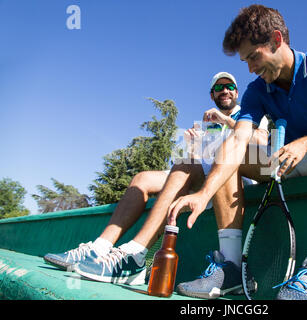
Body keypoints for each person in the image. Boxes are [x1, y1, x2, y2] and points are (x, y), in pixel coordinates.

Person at [168, 4, 307, 300]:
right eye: (245, 61)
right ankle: (232, 269)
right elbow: (238, 142)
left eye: (254, 57)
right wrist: (203, 194)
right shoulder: (256, 90)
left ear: (276, 40)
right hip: (287, 162)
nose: (250, 68)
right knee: (227, 150)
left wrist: (305, 143)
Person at [43, 72, 269, 287]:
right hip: (202, 171)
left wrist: (227, 120)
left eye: (229, 86)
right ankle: (100, 247)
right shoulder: (208, 123)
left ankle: (136, 255)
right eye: (219, 87)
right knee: (143, 178)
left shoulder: (246, 112)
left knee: (185, 165)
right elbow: (198, 160)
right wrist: (192, 145)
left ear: (237, 92)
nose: (225, 91)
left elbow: (260, 142)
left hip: (230, 179)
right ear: (212, 94)